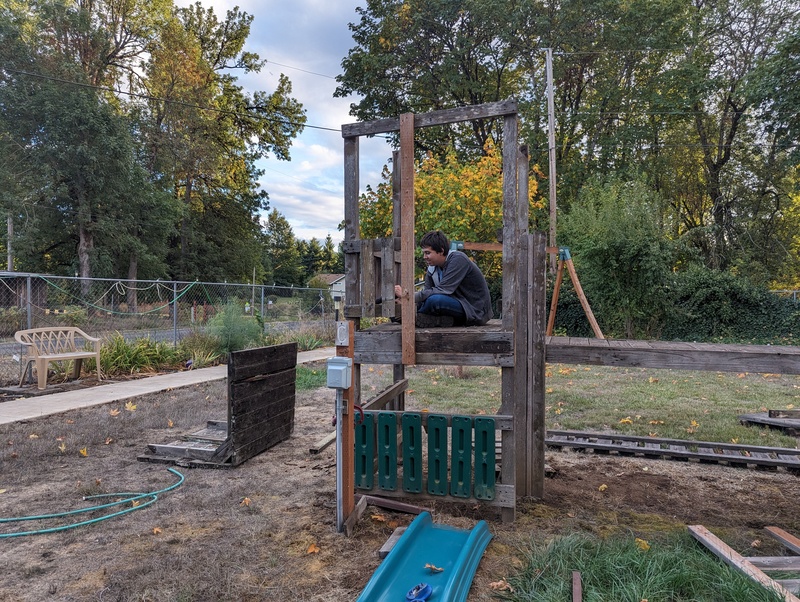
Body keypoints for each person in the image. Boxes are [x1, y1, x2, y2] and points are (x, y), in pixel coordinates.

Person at [394, 230, 492, 327]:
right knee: (399, 309)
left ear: (441, 251)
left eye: (428, 253)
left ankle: (411, 316)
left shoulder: (458, 259)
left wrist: (408, 297)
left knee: (434, 301)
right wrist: (405, 301)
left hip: (473, 309)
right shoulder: (432, 267)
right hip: (454, 303)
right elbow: (428, 292)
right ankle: (440, 320)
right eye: (424, 253)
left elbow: (443, 290)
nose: (424, 257)